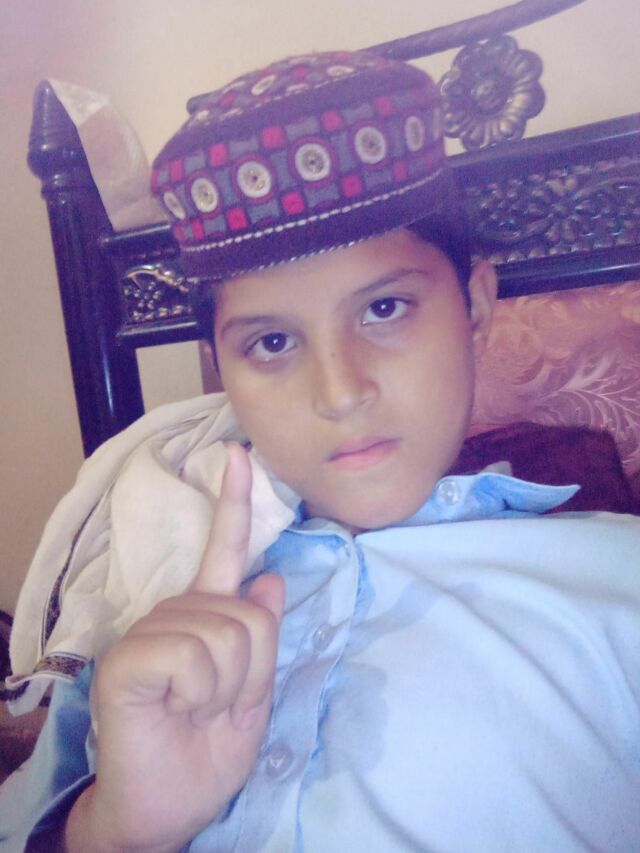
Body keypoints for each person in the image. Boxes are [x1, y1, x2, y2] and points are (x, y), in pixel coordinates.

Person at [1, 48, 639, 853]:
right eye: (271, 341)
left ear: (475, 307)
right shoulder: (145, 608)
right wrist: (108, 828)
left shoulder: (617, 585)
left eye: (384, 308)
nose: (339, 392)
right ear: (221, 370)